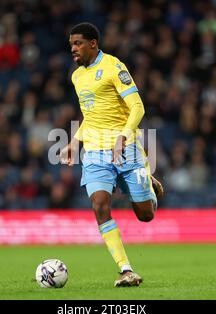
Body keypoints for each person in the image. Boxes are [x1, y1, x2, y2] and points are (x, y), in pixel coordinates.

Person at [60, 22, 164, 287]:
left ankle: (148, 184)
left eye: (78, 43)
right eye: (71, 44)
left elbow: (137, 107)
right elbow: (90, 117)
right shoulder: (77, 76)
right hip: (95, 151)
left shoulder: (114, 67)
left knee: (146, 215)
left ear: (92, 43)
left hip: (126, 148)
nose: (73, 48)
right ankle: (126, 269)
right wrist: (74, 141)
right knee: (99, 205)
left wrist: (123, 136)